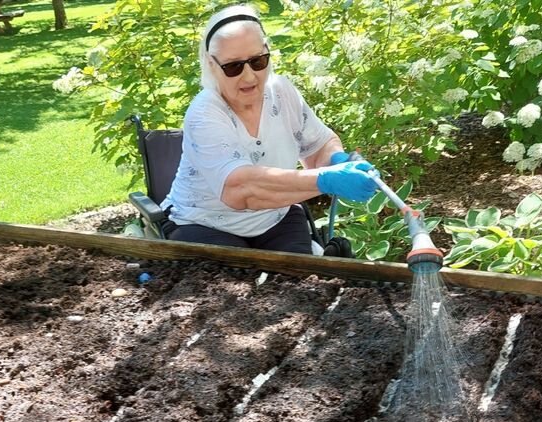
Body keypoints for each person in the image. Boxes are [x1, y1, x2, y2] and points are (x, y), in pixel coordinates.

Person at [160, 4, 379, 254]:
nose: (250, 77)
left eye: (258, 61)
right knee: (232, 286)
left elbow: (318, 146)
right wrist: (326, 179)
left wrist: (336, 160)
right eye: (233, 67)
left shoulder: (282, 92)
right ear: (211, 65)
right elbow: (242, 191)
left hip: (275, 218)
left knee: (306, 283)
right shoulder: (204, 113)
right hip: (203, 223)